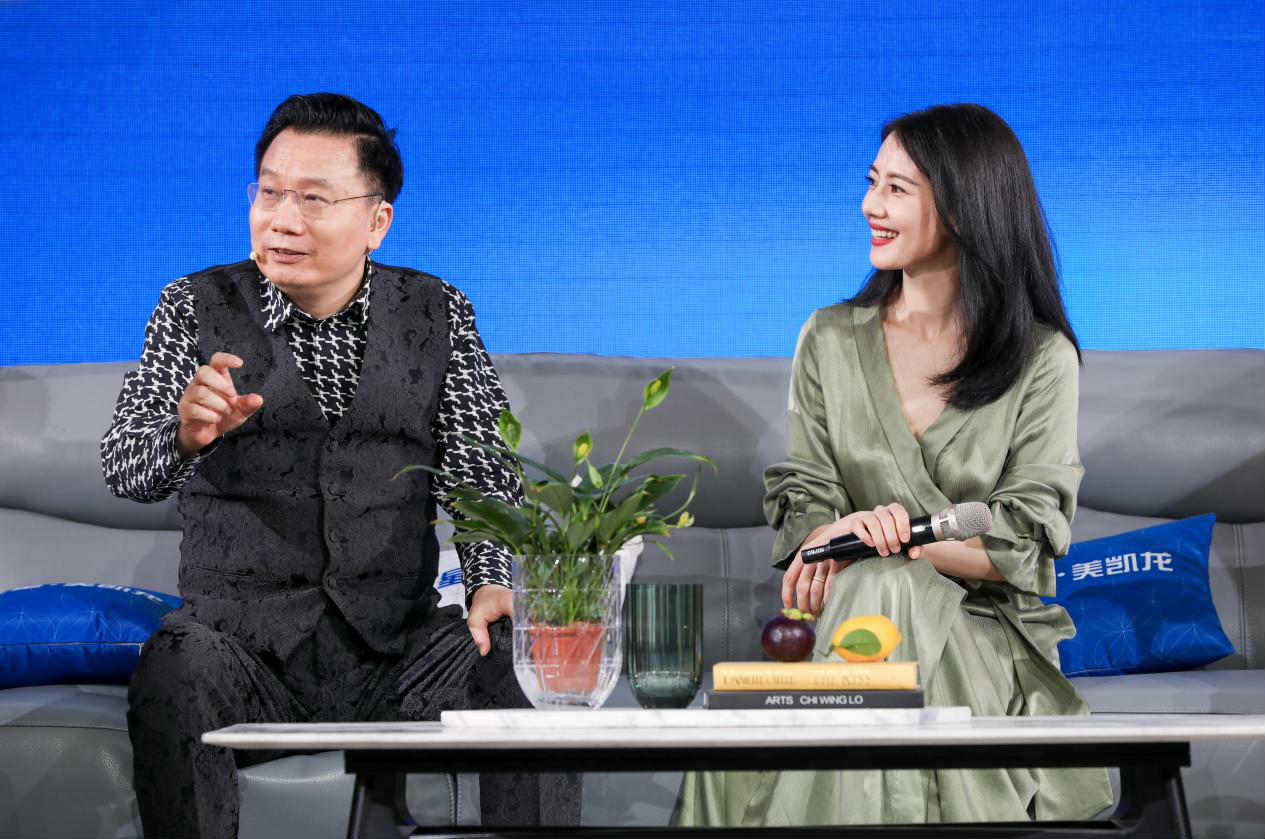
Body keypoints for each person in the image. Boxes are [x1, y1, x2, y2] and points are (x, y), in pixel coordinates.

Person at [102, 93, 577, 838]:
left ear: (376, 221)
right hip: (243, 652)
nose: (281, 219)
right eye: (269, 192)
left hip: (397, 651)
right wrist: (185, 437)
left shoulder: (438, 311)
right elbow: (125, 468)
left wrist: (490, 580)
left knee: (519, 654)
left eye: (313, 199)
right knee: (176, 661)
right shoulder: (192, 305)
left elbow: (480, 471)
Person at [675, 104, 1114, 826]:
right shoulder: (827, 339)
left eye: (896, 189)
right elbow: (807, 507)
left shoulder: (1042, 360)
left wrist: (898, 539)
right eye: (871, 182)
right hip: (842, 616)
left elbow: (1022, 543)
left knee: (893, 583)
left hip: (980, 632)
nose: (869, 205)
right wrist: (843, 535)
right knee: (879, 587)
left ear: (965, 207)